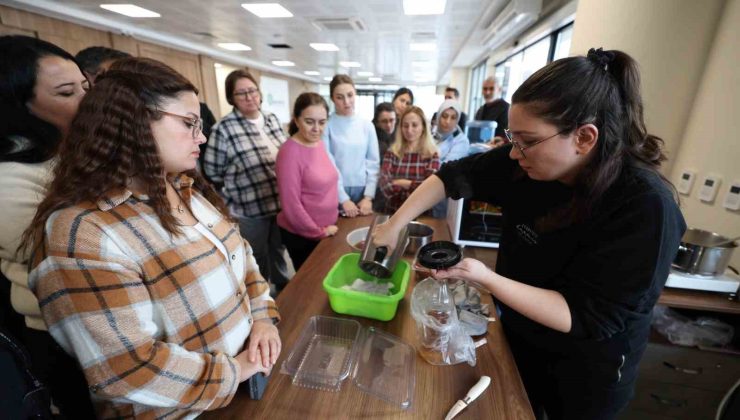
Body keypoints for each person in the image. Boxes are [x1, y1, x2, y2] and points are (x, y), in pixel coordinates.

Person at [373, 48, 686, 420]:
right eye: (512, 137)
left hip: (584, 373)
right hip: (520, 335)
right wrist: (395, 224)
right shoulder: (524, 163)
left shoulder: (644, 206)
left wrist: (486, 278)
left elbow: (586, 316)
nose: (513, 152)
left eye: (527, 140)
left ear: (584, 138)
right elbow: (453, 175)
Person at [22, 57, 281, 419]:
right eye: (189, 123)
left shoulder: (184, 188)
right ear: (134, 123)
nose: (201, 136)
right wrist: (235, 370)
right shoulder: (84, 232)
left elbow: (243, 257)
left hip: (244, 383)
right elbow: (127, 368)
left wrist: (263, 319)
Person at [0, 35, 95, 418]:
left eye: (86, 87)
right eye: (67, 92)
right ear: (20, 106)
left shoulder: (73, 152)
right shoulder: (10, 178)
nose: (87, 101)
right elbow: (73, 256)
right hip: (63, 334)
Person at [204, 69, 291, 292]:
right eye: (241, 93)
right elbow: (212, 171)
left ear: (259, 93)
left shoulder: (272, 119)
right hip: (249, 209)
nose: (249, 97)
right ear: (231, 98)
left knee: (278, 250)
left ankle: (281, 287)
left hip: (280, 205)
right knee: (256, 256)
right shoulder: (223, 128)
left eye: (252, 91)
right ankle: (261, 297)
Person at [276, 92, 339, 270]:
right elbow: (291, 206)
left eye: (322, 122)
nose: (316, 129)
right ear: (296, 120)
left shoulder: (318, 143)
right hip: (304, 236)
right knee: (310, 289)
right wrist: (319, 232)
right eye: (309, 122)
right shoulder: (289, 152)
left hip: (327, 229)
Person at [323, 74, 380, 218]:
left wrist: (368, 197)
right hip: (334, 189)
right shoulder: (327, 125)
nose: (347, 102)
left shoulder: (367, 125)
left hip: (363, 191)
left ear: (355, 94)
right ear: (332, 99)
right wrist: (343, 198)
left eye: (350, 95)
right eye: (340, 97)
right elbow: (328, 165)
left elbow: (373, 164)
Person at [378, 106, 440, 214]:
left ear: (423, 127)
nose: (409, 130)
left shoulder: (432, 155)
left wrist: (403, 183)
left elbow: (430, 190)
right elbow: (385, 186)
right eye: (405, 126)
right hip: (393, 213)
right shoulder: (392, 152)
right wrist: (416, 186)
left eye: (414, 125)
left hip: (422, 214)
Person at [431, 99, 470, 218]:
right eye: (444, 116)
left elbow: (446, 167)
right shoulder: (429, 134)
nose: (447, 121)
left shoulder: (461, 141)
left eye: (453, 118)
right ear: (438, 116)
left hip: (443, 192)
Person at [372, 102, 397, 213]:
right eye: (384, 121)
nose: (388, 125)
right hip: (377, 191)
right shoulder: (373, 139)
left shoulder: (398, 137)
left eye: (392, 120)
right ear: (377, 123)